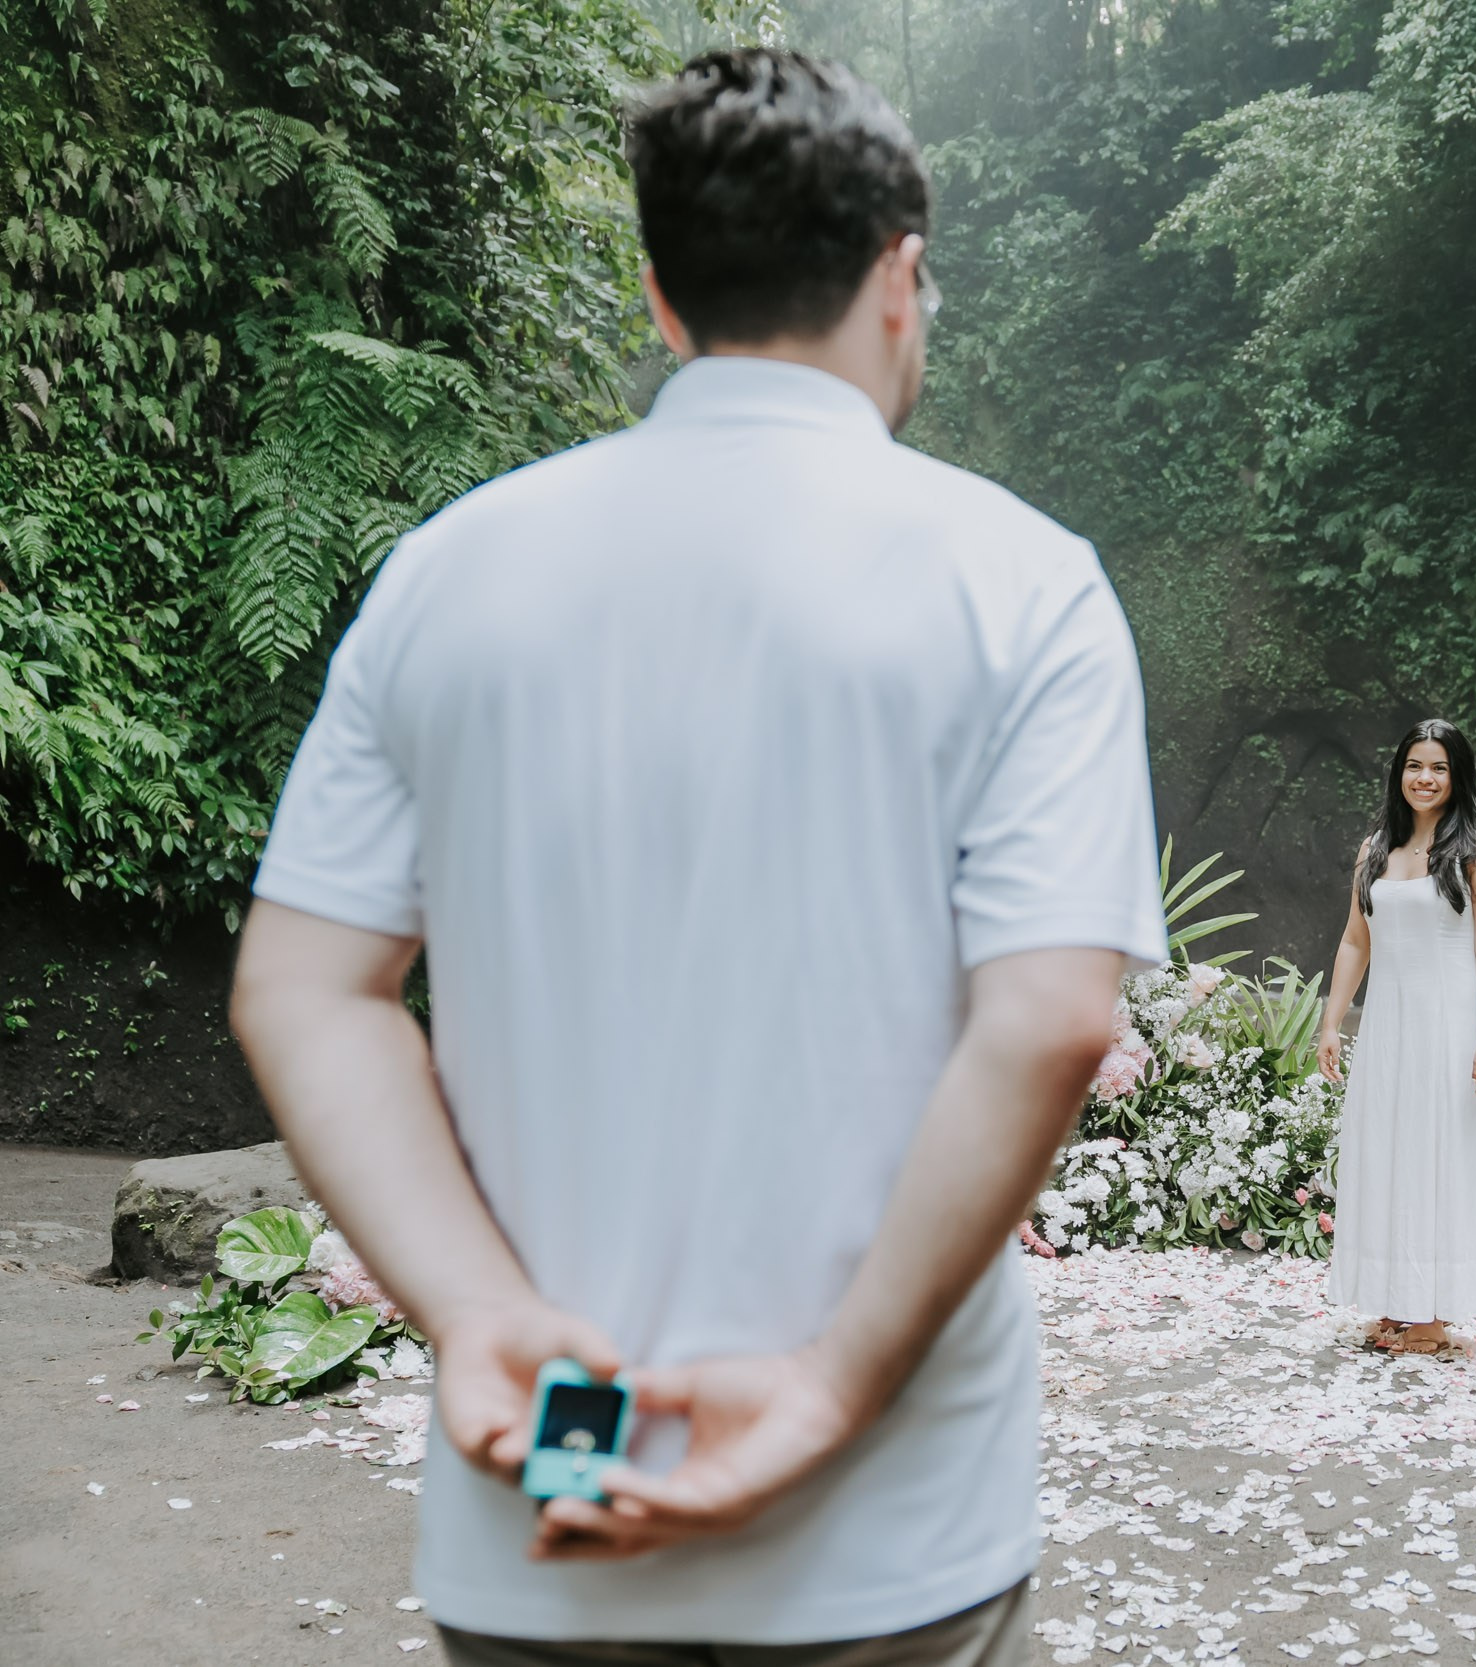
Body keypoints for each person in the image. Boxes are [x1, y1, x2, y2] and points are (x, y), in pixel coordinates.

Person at [226, 49, 1166, 1666]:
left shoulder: (451, 576)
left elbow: (304, 991)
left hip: (549, 1489)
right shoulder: (1021, 584)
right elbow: (1053, 1017)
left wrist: (479, 1316)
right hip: (893, 1523)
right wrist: (825, 1388)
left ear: (660, 299)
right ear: (903, 279)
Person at [1313, 719, 1476, 1356]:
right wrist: (1331, 1021)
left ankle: (1434, 1316)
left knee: (1439, 1154)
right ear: (1398, 774)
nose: (1424, 779)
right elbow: (1355, 940)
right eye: (1414, 766)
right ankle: (1401, 1302)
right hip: (1388, 1028)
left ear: (1458, 778)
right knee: (1392, 1153)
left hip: (1447, 1025)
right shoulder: (1375, 849)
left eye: (1438, 768)